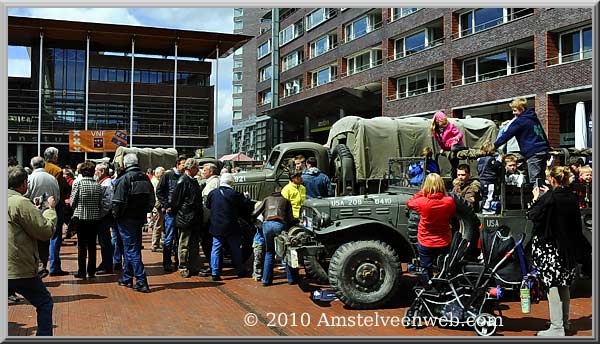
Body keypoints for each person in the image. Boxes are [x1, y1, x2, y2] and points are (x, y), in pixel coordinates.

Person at [528, 166, 587, 336]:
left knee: (552, 286)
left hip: (550, 247)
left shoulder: (550, 197)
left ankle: (556, 326)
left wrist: (537, 198)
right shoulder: (572, 197)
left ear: (552, 180)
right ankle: (565, 321)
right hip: (567, 248)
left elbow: (533, 215)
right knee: (564, 285)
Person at [8, 166, 57, 336]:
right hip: (18, 267)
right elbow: (44, 231)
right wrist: (50, 210)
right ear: (23, 184)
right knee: (44, 302)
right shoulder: (20, 202)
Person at [112, 153, 155, 292]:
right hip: (139, 217)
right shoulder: (145, 178)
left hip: (126, 218)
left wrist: (116, 215)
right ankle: (127, 277)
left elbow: (117, 202)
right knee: (133, 247)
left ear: (125, 164)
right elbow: (151, 199)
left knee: (131, 249)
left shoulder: (124, 178)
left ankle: (141, 280)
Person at [407, 173, 456, 282]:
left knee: (425, 267)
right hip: (443, 241)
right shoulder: (449, 201)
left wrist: (422, 192)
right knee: (442, 266)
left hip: (425, 241)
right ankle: (443, 285)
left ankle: (428, 286)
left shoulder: (422, 202)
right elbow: (452, 214)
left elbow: (410, 203)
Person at [494, 98, 550, 187]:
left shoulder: (520, 121)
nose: (513, 113)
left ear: (521, 109)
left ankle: (539, 199)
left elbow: (507, 135)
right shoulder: (533, 118)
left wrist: (494, 146)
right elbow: (541, 132)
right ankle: (545, 198)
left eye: (515, 110)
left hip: (533, 152)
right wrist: (548, 147)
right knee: (541, 178)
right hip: (543, 150)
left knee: (535, 181)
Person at [206, 173, 252, 281]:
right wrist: (247, 197)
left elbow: (208, 205)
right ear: (231, 182)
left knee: (215, 248)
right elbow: (245, 204)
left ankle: (215, 272)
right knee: (235, 248)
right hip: (231, 225)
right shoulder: (234, 194)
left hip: (216, 225)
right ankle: (240, 270)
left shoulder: (213, 193)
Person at [24, 156, 61, 278]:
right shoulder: (52, 179)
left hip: (33, 212)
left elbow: (26, 195)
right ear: (44, 164)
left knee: (32, 241)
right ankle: (43, 265)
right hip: (48, 212)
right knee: (45, 240)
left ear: (32, 165)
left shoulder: (30, 178)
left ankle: (35, 267)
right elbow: (57, 197)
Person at [252, 187, 295, 286]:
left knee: (269, 252)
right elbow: (291, 218)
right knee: (285, 252)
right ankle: (291, 279)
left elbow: (254, 213)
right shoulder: (286, 200)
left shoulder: (267, 199)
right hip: (279, 224)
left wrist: (255, 223)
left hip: (267, 225)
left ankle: (266, 280)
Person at [170, 158, 204, 278]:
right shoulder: (183, 181)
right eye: (196, 168)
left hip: (193, 217)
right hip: (185, 217)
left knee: (194, 244)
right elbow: (175, 201)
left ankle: (193, 266)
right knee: (184, 243)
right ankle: (183, 266)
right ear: (191, 168)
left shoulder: (192, 181)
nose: (198, 170)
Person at [70, 161, 103, 279]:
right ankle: (91, 271)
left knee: (82, 246)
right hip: (94, 218)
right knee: (92, 246)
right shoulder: (98, 185)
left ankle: (82, 271)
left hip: (81, 218)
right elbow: (100, 203)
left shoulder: (78, 184)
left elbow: (72, 202)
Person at [43, 147, 71, 277]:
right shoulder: (57, 171)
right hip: (55, 206)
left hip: (39, 205)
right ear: (55, 157)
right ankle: (54, 267)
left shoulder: (40, 168)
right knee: (55, 237)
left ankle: (41, 267)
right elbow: (61, 189)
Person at [156, 155, 187, 272]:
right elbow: (159, 191)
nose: (185, 166)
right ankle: (167, 262)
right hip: (171, 212)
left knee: (180, 237)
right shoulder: (167, 176)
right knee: (169, 237)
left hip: (182, 212)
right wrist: (166, 205)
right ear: (177, 164)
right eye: (183, 164)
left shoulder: (185, 177)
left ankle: (179, 260)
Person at [431, 111, 465, 179]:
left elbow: (460, 134)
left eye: (445, 123)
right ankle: (454, 180)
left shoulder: (450, 126)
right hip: (448, 148)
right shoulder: (436, 131)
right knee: (454, 165)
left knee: (454, 148)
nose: (445, 125)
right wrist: (442, 148)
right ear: (437, 122)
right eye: (443, 123)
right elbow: (440, 141)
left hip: (455, 145)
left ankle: (464, 148)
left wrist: (457, 137)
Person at [95, 163, 115, 275]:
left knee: (105, 241)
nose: (95, 173)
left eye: (96, 171)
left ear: (102, 171)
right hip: (104, 216)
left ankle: (107, 265)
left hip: (104, 217)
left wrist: (100, 214)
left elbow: (108, 202)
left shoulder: (106, 184)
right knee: (104, 241)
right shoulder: (103, 183)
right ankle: (106, 263)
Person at [477, 141, 503, 214]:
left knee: (484, 195)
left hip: (482, 180)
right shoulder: (491, 159)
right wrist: (499, 160)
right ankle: (486, 209)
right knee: (489, 195)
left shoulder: (480, 160)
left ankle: (486, 207)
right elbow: (496, 166)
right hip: (489, 180)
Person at [150, 166, 165, 252]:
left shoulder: (157, 181)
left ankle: (158, 242)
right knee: (158, 225)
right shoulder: (155, 182)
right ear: (157, 173)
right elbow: (156, 195)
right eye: (162, 173)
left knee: (160, 225)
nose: (163, 175)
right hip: (158, 206)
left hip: (158, 205)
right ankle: (155, 244)